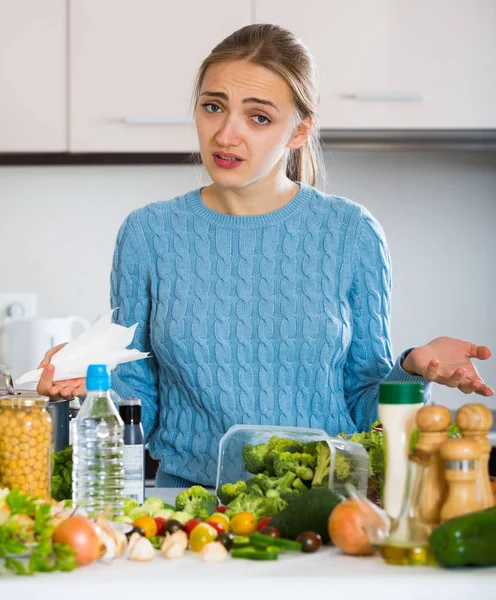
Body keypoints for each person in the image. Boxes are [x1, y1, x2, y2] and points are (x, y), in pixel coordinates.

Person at [37, 24, 493, 488]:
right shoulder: (149, 235)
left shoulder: (351, 234)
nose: (226, 134)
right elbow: (138, 400)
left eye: (258, 118)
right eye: (213, 107)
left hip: (321, 506)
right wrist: (87, 381)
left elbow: (361, 408)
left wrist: (413, 367)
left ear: (299, 130)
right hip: (189, 513)